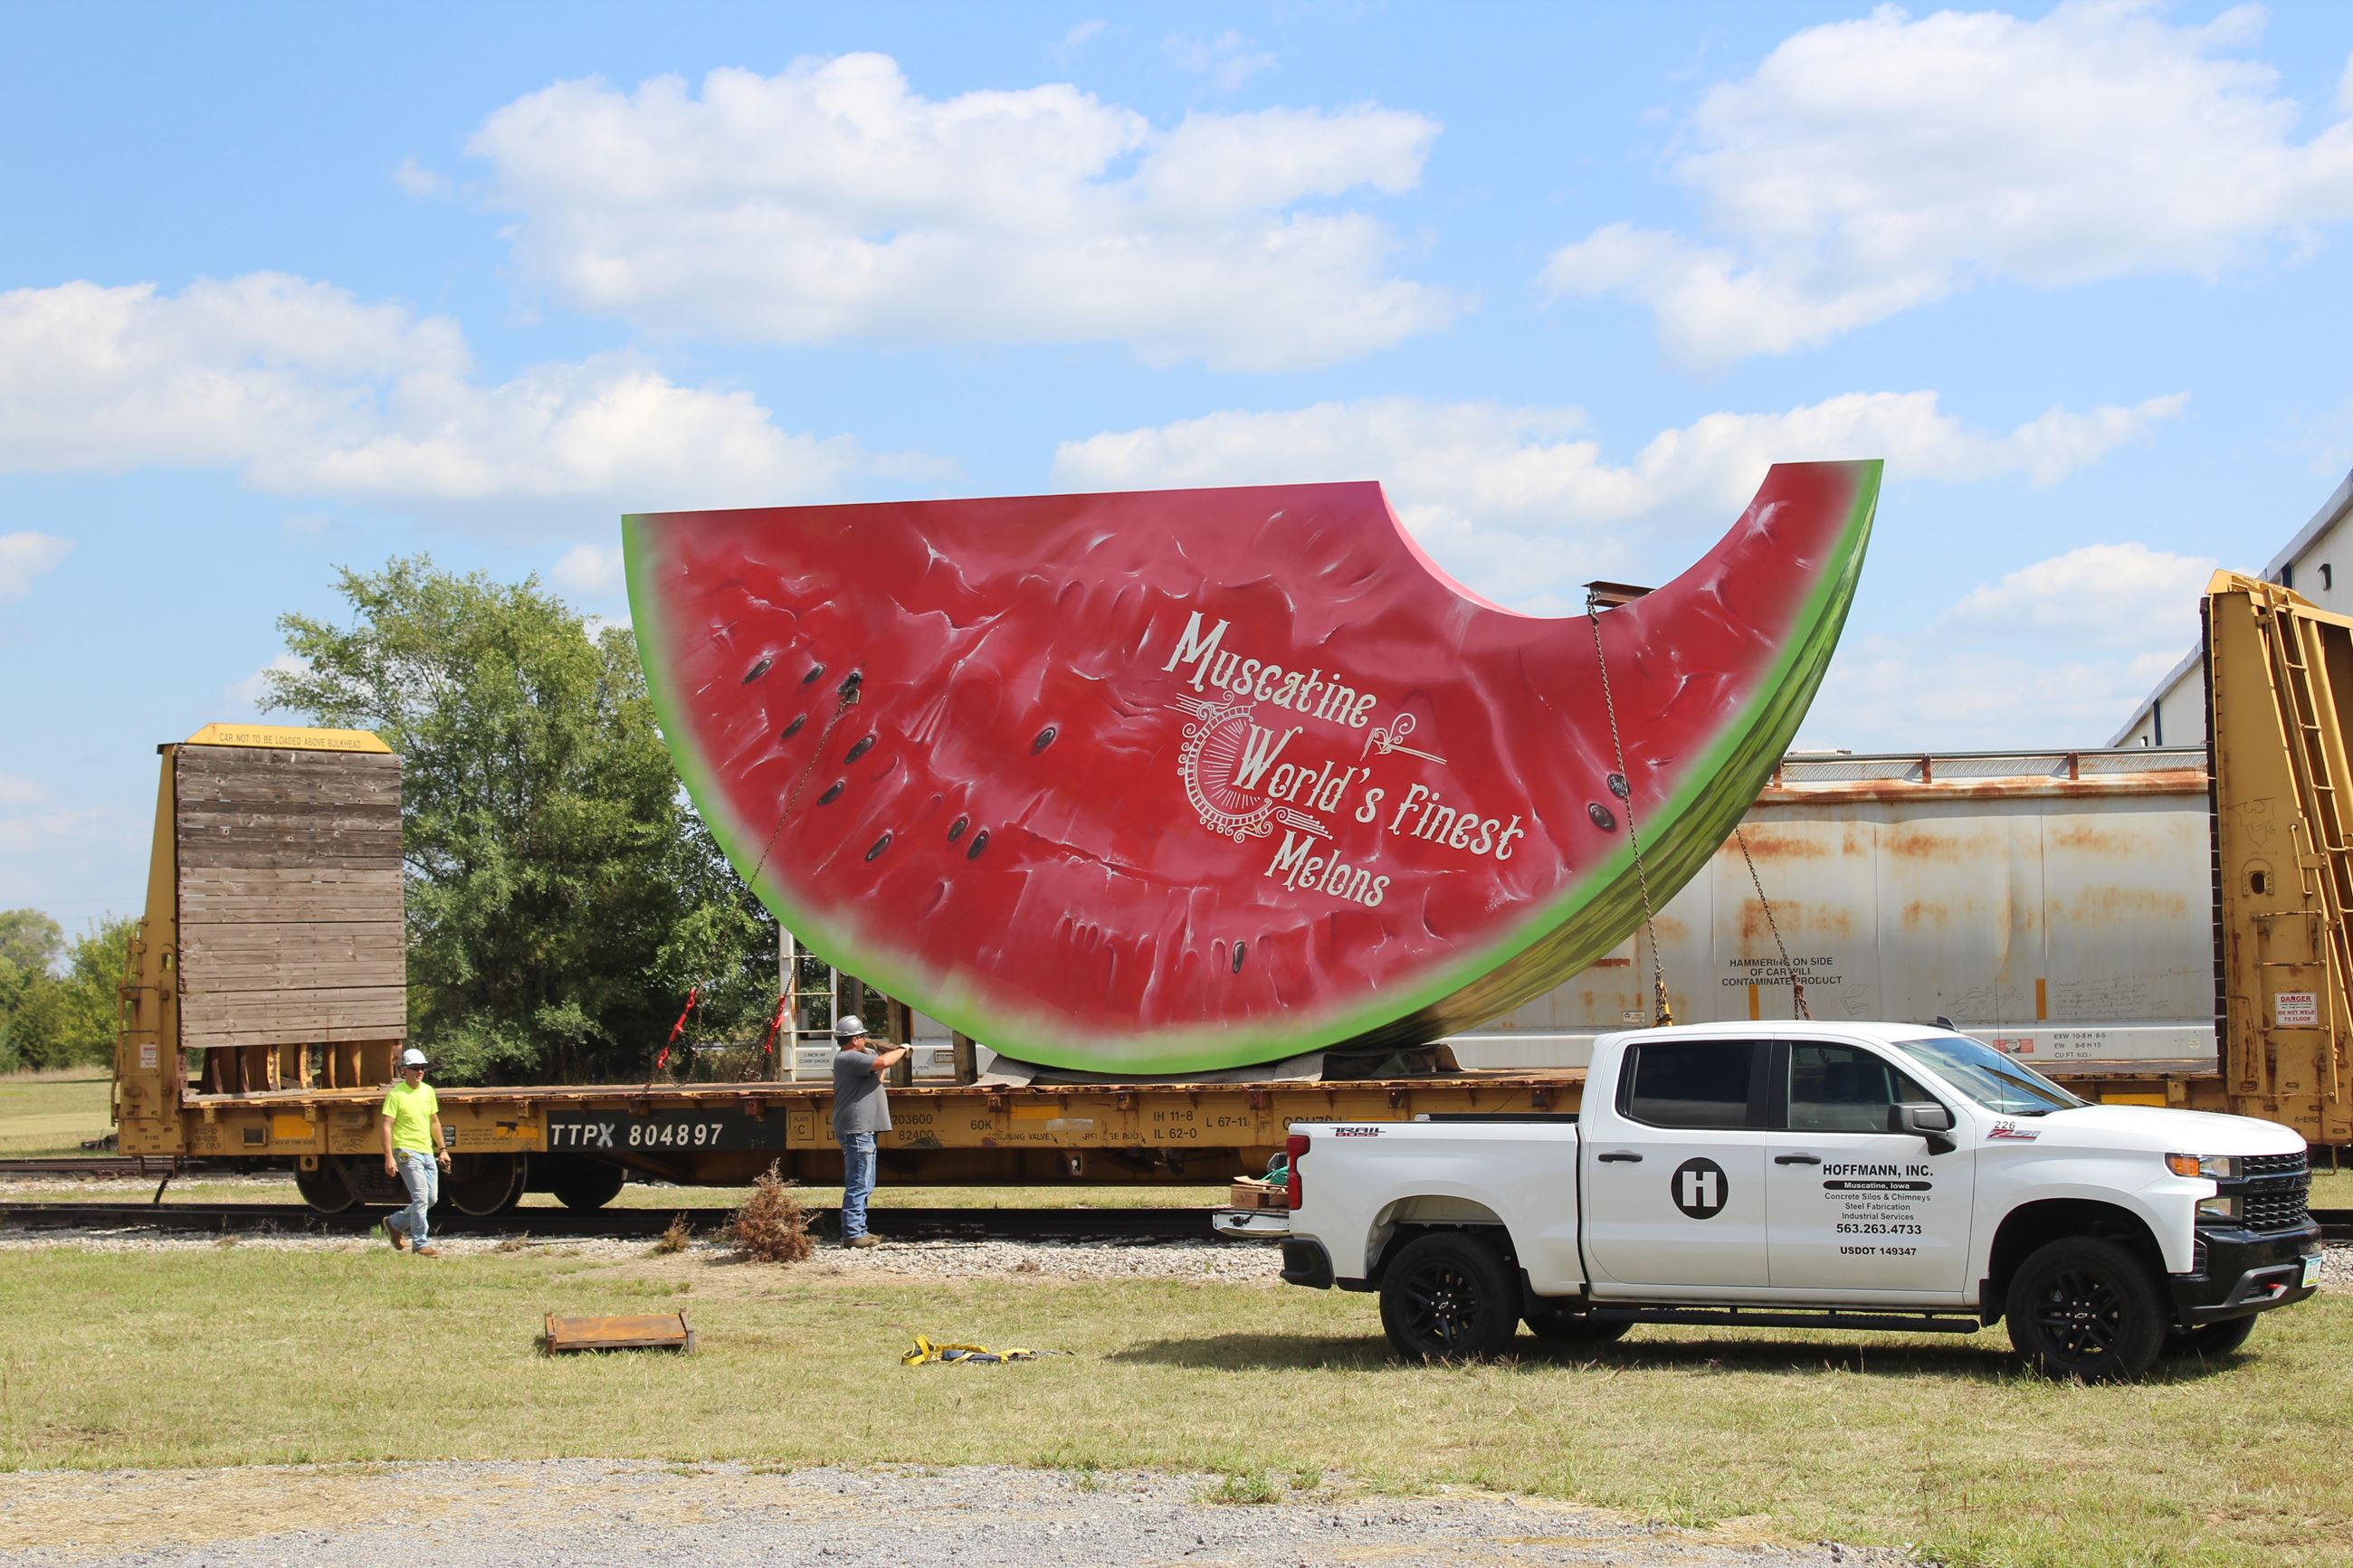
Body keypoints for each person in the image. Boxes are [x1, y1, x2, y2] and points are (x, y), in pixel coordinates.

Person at [831, 1014, 909, 1249]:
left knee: (865, 1181)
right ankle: (853, 1233)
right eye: (862, 1037)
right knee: (858, 1182)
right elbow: (885, 1063)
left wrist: (877, 1054)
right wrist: (903, 1049)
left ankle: (859, 1230)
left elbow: (877, 1075)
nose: (864, 1040)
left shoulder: (854, 1060)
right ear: (853, 1040)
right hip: (858, 1129)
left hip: (863, 1128)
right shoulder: (848, 1058)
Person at [380, 1047, 451, 1257]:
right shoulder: (396, 1096)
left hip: (427, 1151)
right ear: (404, 1071)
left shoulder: (428, 1092)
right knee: (420, 1196)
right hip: (405, 1151)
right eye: (415, 1068)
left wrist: (443, 1150)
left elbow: (434, 1121)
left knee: (431, 1199)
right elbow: (386, 1126)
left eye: (422, 1068)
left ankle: (394, 1223)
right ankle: (420, 1243)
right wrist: (388, 1157)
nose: (420, 1071)